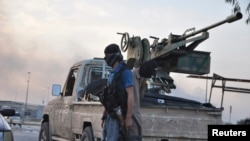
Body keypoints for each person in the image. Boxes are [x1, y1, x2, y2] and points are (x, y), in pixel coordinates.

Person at [101, 43, 135, 141]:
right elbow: (109, 96)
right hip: (110, 115)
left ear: (114, 56)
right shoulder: (112, 73)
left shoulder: (125, 72)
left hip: (118, 116)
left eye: (107, 56)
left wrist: (128, 117)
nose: (106, 59)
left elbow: (130, 95)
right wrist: (104, 115)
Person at [131, 60, 158, 140]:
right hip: (129, 116)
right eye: (149, 74)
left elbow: (139, 97)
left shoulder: (142, 80)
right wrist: (128, 118)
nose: (149, 76)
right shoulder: (131, 75)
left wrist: (143, 86)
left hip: (135, 116)